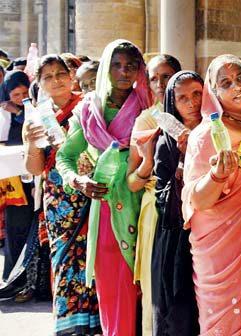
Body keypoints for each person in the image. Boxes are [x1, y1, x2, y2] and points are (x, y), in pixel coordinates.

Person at [56, 39, 151, 336]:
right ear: (105, 68)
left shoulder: (148, 105)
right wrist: (77, 180)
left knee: (148, 292)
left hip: (146, 203)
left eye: (131, 66)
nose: (124, 72)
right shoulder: (88, 109)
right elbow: (64, 157)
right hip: (108, 206)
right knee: (114, 291)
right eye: (116, 65)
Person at [22, 54, 101, 335]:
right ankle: (69, 326)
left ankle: (98, 324)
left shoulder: (89, 105)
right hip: (58, 201)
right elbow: (33, 167)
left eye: (60, 74)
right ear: (40, 83)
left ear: (71, 75)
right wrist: (32, 142)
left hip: (91, 192)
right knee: (65, 260)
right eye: (48, 77)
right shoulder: (37, 115)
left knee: (95, 257)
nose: (56, 81)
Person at [181, 54, 241, 335]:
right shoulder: (205, 136)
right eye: (225, 83)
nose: (238, 87)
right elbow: (197, 200)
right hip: (218, 245)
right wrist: (217, 176)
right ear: (213, 93)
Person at [125, 53, 181, 336]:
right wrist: (148, 162)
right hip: (157, 210)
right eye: (154, 78)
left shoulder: (195, 115)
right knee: (156, 285)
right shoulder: (146, 120)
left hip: (194, 211)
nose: (160, 84)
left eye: (167, 76)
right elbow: (132, 182)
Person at [148, 70, 203, 335]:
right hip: (177, 237)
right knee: (179, 310)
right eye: (182, 98)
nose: (192, 102)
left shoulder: (216, 131)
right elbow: (164, 197)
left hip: (212, 231)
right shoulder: (166, 142)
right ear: (173, 103)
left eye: (197, 94)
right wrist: (184, 158)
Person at [0, 70, 33, 282]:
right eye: (15, 95)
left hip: (32, 180)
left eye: (24, 93)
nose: (21, 99)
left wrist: (22, 113)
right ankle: (13, 278)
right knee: (15, 227)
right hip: (12, 182)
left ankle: (30, 280)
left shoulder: (34, 111)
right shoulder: (3, 113)